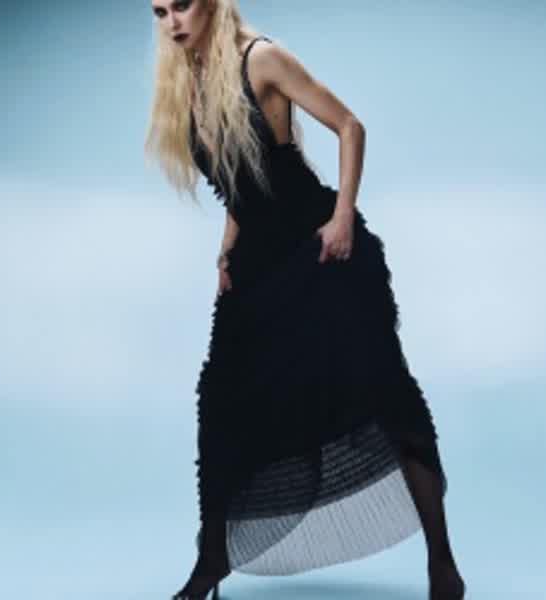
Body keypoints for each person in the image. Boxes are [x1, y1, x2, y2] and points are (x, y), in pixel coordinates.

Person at [145, 2, 466, 599]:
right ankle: (211, 561)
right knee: (221, 406)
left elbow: (349, 125)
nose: (172, 21)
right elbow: (243, 185)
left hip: (321, 255)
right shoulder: (188, 83)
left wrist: (342, 218)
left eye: (182, 4)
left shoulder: (261, 59)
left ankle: (442, 565)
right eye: (159, 11)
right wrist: (226, 250)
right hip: (256, 265)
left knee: (385, 395)